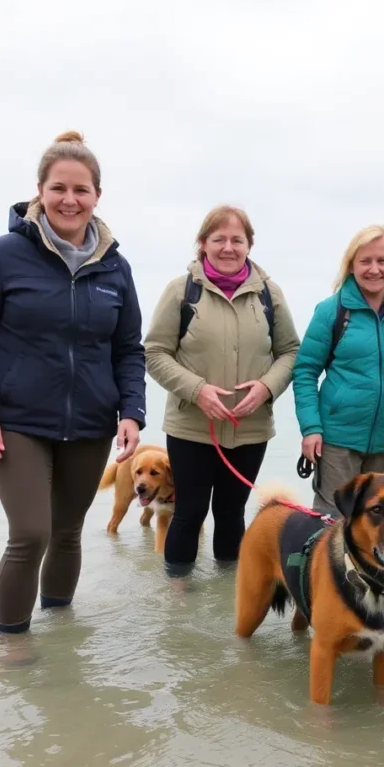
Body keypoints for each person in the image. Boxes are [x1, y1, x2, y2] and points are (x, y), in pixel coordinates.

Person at [0, 131, 146, 635]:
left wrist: (131, 411)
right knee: (30, 533)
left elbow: (129, 348)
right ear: (39, 191)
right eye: (59, 188)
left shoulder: (116, 268)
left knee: (67, 532)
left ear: (96, 196)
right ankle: (11, 643)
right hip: (18, 421)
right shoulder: (7, 255)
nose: (69, 199)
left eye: (81, 190)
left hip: (90, 422)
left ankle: (60, 636)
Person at [144, 205, 300, 573]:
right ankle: (179, 605)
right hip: (191, 427)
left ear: (249, 245)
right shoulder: (180, 291)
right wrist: (197, 390)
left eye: (237, 240)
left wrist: (266, 388)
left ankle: (228, 597)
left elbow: (291, 352)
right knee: (189, 512)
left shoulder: (269, 294)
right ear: (202, 244)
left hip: (251, 428)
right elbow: (154, 352)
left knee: (232, 513)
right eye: (219, 239)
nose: (228, 247)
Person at [293, 223, 384, 516]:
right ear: (351, 265)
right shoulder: (331, 311)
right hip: (336, 443)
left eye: (382, 260)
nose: (374, 269)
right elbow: (305, 371)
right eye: (365, 261)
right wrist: (311, 428)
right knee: (330, 524)